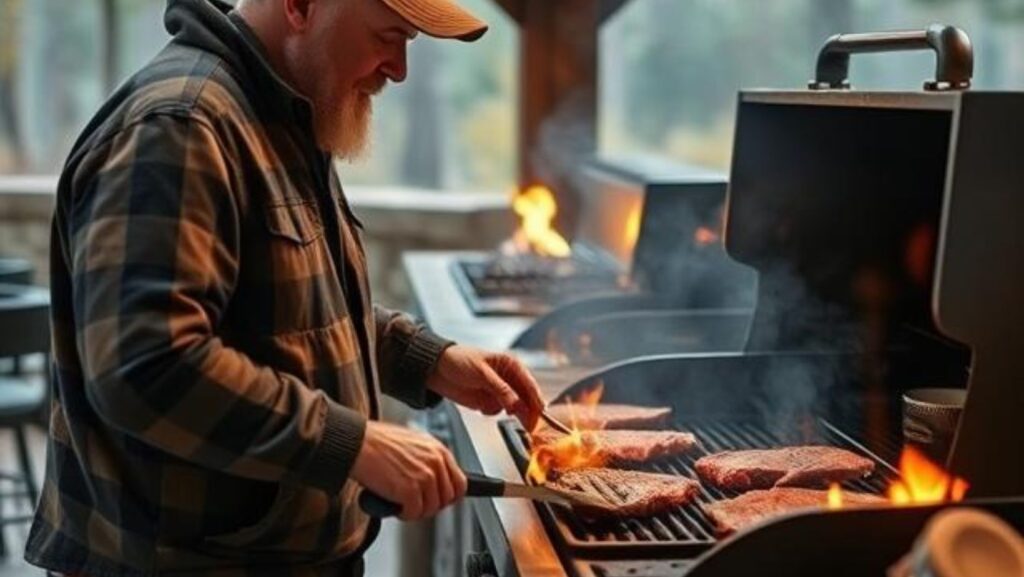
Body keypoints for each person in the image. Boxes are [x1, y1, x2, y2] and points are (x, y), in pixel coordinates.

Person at [25, 0, 544, 575]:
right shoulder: (180, 127)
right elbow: (143, 366)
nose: (398, 68)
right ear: (299, 7)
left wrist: (425, 360)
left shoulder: (282, 115)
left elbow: (282, 313)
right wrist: (352, 443)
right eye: (388, 35)